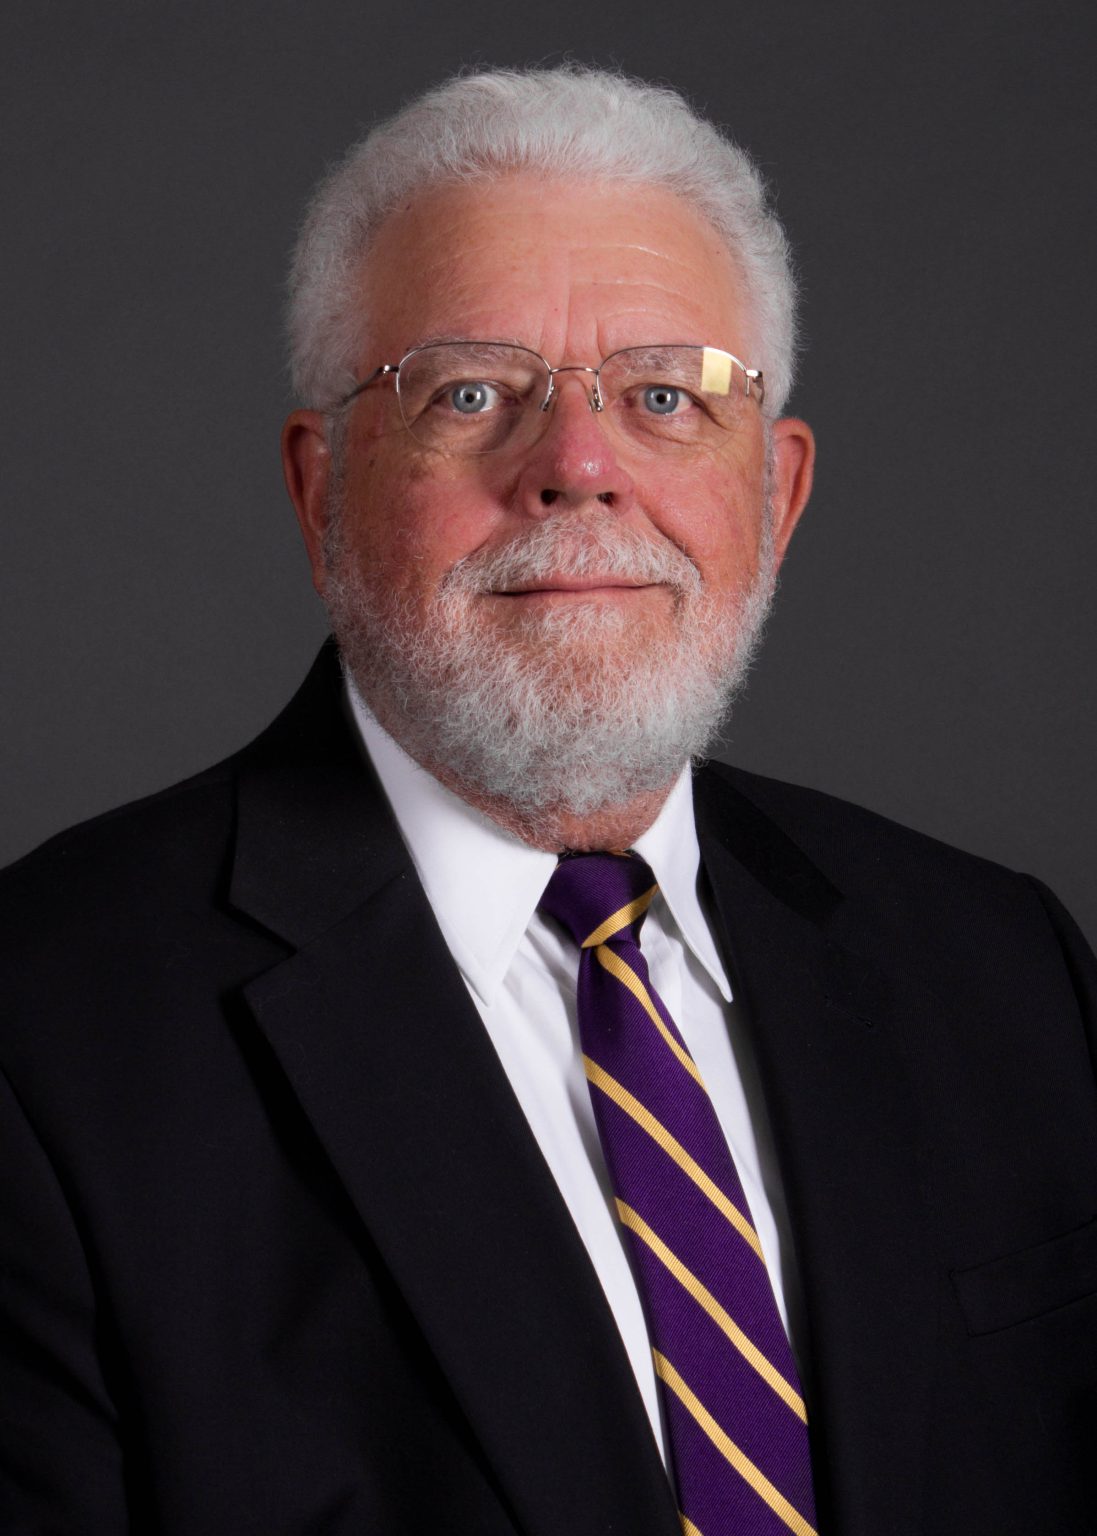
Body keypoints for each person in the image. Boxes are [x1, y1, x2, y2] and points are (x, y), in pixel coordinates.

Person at [2, 66, 1095, 1536]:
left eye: (665, 396)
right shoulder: (47, 1038)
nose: (579, 469)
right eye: (470, 393)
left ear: (776, 496)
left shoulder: (1007, 972)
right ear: (321, 491)